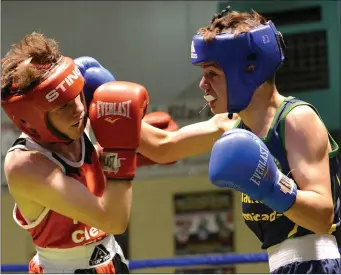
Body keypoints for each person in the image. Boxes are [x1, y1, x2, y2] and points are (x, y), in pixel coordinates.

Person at [188, 6, 340, 274]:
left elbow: (322, 216)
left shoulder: (296, 120)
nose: (203, 85)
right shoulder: (233, 127)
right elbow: (162, 146)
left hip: (319, 264)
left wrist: (272, 185)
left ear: (247, 71)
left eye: (212, 73)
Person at [1, 32, 150, 273]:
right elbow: (114, 220)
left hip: (113, 260)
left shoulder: (81, 120)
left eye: (77, 95)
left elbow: (166, 145)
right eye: (63, 106)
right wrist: (120, 153)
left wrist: (230, 117)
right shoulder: (25, 165)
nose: (79, 109)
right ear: (32, 120)